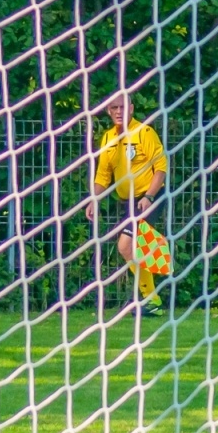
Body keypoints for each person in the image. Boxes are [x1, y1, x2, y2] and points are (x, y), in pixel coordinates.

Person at [87, 93, 168, 313]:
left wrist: (149, 196)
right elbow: (103, 175)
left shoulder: (144, 132)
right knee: (132, 247)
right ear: (108, 111)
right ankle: (152, 298)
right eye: (114, 108)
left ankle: (151, 299)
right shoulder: (107, 138)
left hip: (150, 198)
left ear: (131, 108)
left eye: (122, 107)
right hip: (128, 202)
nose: (118, 112)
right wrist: (94, 200)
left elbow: (161, 168)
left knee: (125, 245)